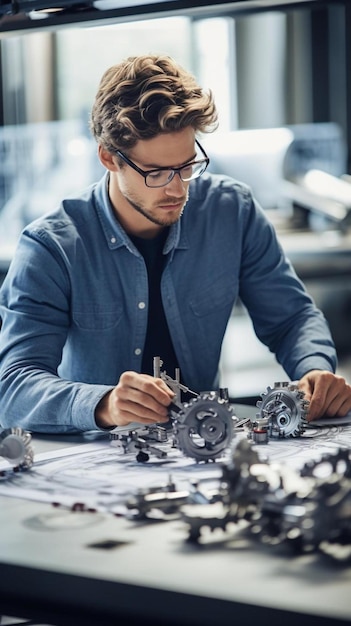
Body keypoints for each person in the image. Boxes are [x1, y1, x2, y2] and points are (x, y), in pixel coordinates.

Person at [0, 54, 350, 434]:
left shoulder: (232, 210)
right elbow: (14, 387)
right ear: (108, 158)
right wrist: (102, 404)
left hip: (209, 447)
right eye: (156, 173)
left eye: (187, 166)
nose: (176, 189)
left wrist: (314, 369)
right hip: (97, 460)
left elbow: (291, 318)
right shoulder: (49, 248)